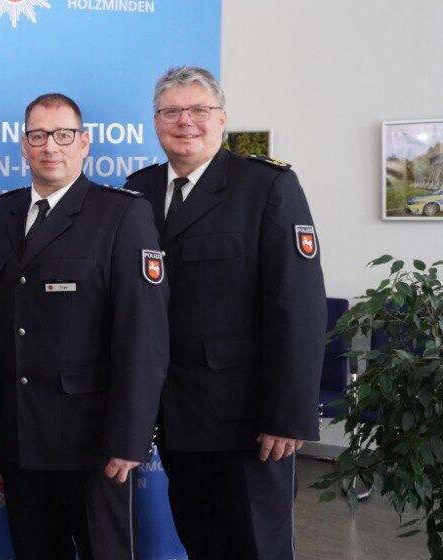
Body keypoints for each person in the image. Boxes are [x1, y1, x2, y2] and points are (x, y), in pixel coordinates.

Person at [123, 66, 326, 560]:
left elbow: (299, 308)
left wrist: (288, 415)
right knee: (201, 541)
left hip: (250, 422)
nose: (185, 121)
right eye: (172, 111)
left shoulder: (267, 187)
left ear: (222, 120)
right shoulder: (139, 190)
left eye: (198, 110)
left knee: (256, 546)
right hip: (175, 416)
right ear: (156, 122)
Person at [0, 93, 169, 560]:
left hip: (94, 443)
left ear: (85, 143)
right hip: (21, 437)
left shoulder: (121, 214)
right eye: (38, 136)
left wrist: (130, 437)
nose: (50, 147)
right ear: (24, 146)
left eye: (63, 135)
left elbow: (144, 336)